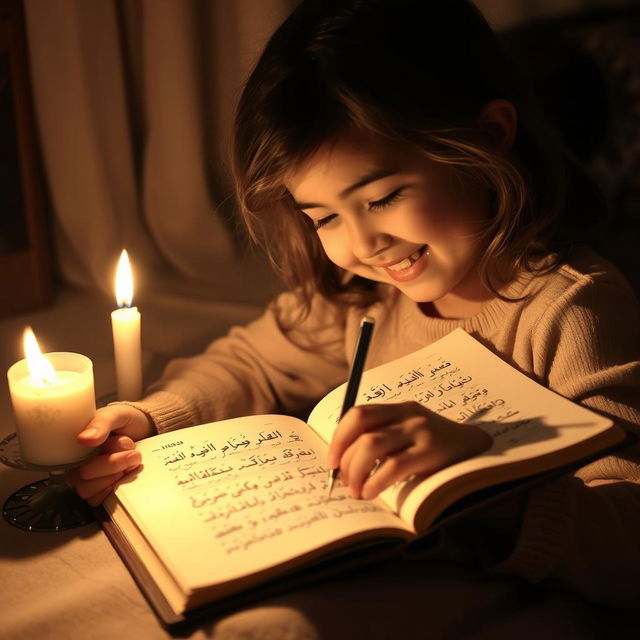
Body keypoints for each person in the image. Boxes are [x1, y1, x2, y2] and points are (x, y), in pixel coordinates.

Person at [70, 0, 640, 624]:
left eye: (384, 196)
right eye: (322, 216)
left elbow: (625, 541)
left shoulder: (573, 309)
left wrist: (491, 489)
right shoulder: (364, 294)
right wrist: (150, 417)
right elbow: (250, 361)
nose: (363, 246)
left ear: (489, 137)